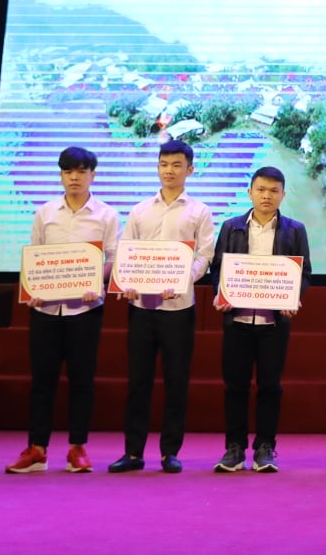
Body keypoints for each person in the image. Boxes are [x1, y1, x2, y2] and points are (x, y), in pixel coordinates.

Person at [5, 146, 119, 475]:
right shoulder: (45, 212)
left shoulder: (107, 215)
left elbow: (113, 258)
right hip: (45, 310)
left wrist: (96, 279)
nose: (74, 178)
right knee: (42, 381)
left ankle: (77, 449)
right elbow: (35, 255)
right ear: (61, 175)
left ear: (92, 175)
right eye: (68, 171)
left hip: (85, 309)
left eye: (81, 171)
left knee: (82, 380)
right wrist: (33, 289)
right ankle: (37, 449)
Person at [107, 140, 216, 474]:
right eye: (164, 164)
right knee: (138, 382)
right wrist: (125, 282)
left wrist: (183, 279)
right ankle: (133, 452)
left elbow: (205, 256)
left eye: (177, 165)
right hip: (141, 306)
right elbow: (126, 252)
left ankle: (170, 452)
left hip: (179, 309)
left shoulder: (200, 211)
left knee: (176, 382)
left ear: (190, 169)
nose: (169, 171)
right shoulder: (140, 210)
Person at [210, 166, 311, 474]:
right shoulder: (231, 227)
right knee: (235, 386)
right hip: (237, 321)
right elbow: (218, 269)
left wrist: (293, 296)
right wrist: (220, 293)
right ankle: (234, 448)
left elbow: (303, 273)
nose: (267, 196)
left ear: (283, 195)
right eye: (261, 189)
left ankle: (265, 447)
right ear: (250, 192)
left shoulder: (295, 230)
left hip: (274, 324)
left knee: (270, 387)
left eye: (273, 191)